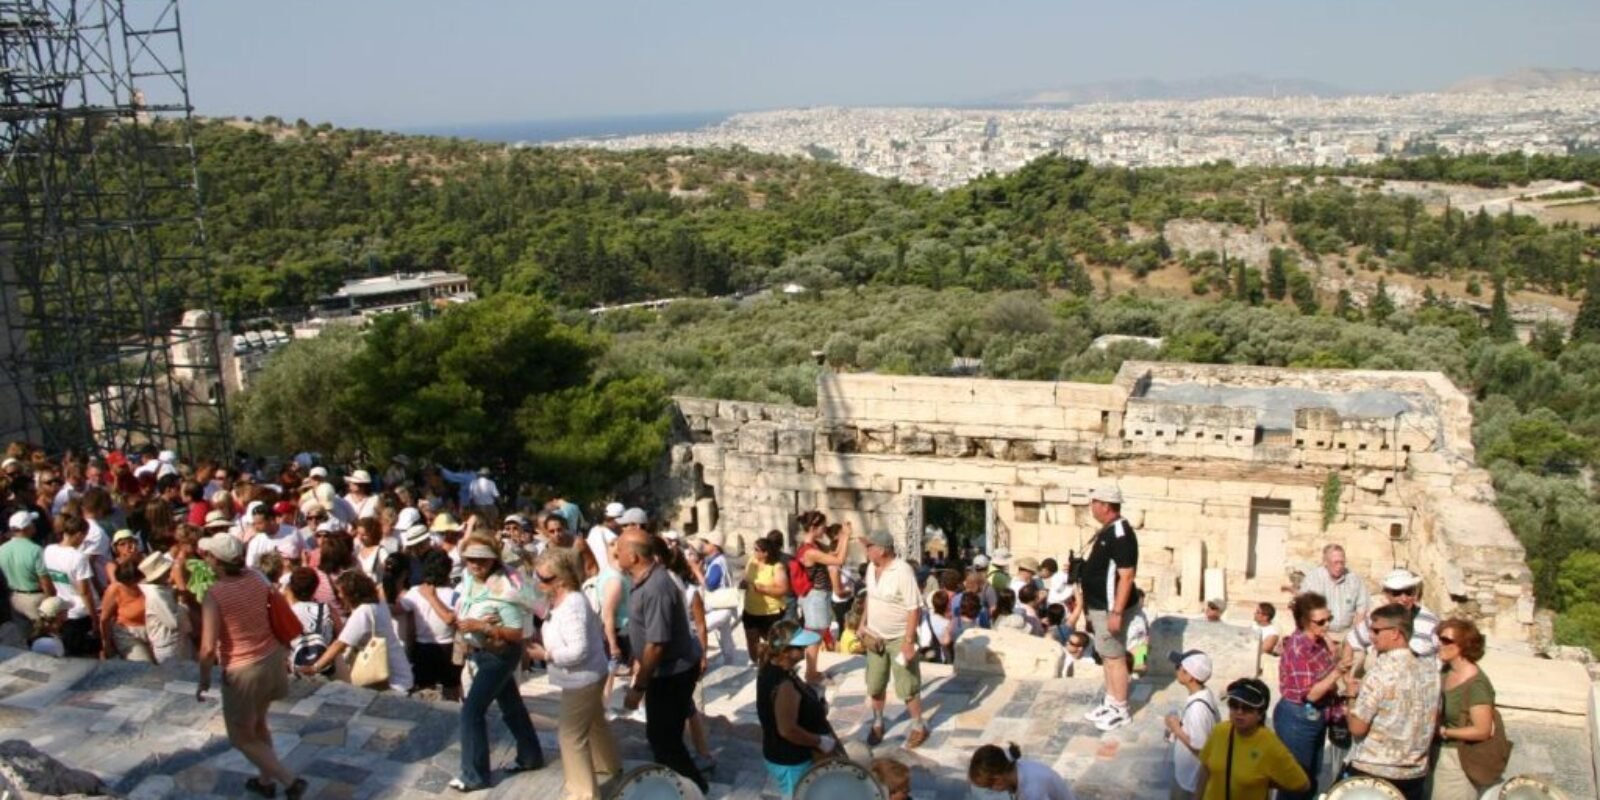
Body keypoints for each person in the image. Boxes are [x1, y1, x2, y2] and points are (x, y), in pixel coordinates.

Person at [194, 532, 306, 799]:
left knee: (240, 737)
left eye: (208, 555)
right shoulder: (257, 577)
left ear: (218, 561)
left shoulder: (215, 594)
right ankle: (265, 781)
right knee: (258, 724)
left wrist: (204, 678)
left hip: (243, 670)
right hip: (272, 659)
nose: (205, 559)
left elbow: (208, 647)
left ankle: (289, 781)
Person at [448, 540, 545, 791]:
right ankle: (531, 755)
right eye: (471, 559)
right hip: (483, 653)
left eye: (481, 559)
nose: (475, 564)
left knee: (472, 711)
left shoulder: (504, 588)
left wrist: (483, 626)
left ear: (493, 560)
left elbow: (515, 632)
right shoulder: (471, 581)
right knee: (511, 705)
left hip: (498, 656)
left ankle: (475, 775)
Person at [525, 549, 620, 800]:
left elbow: (578, 651)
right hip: (590, 674)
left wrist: (545, 655)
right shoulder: (563, 600)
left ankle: (584, 794)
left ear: (562, 579)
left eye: (545, 579)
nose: (539, 582)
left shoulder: (572, 605)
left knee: (570, 736)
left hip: (583, 678)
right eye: (538, 577)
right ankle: (608, 765)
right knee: (595, 722)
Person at [619, 527, 707, 791]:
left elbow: (657, 644)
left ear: (634, 557)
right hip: (666, 672)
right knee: (661, 738)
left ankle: (694, 790)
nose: (615, 553)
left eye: (620, 549)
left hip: (671, 674)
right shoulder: (648, 580)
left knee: (665, 742)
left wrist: (638, 687)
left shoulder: (656, 587)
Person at [1343, 603, 1440, 800]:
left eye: (1376, 630)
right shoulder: (1431, 671)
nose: (1371, 636)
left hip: (1375, 775)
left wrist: (1351, 697)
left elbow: (1357, 728)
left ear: (1395, 633)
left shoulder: (1380, 673)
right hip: (1414, 774)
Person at [857, 529, 929, 749]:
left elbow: (913, 608)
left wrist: (908, 641)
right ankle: (878, 722)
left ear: (882, 550)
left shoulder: (903, 571)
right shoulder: (871, 567)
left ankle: (918, 726)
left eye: (869, 547)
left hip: (899, 637)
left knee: (907, 685)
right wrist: (862, 623)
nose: (866, 550)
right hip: (875, 636)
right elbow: (870, 595)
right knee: (875, 683)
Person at [1080, 484, 1140, 732]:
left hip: (1109, 607)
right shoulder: (1108, 531)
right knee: (1106, 655)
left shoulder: (1120, 534)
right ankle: (1111, 700)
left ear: (1105, 505)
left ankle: (1122, 709)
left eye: (1094, 501)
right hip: (1099, 605)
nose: (1091, 506)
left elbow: (1126, 576)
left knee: (1115, 658)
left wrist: (1116, 612)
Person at [1274, 593, 1345, 800]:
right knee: (1295, 782)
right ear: (1305, 622)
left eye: (1328, 619)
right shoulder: (1298, 648)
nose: (1326, 625)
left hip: (1316, 715)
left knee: (1311, 777)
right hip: (1298, 718)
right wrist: (1337, 673)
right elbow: (1311, 694)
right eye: (1320, 622)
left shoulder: (1318, 641)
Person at [757, 621, 839, 798]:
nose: (804, 651)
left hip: (782, 755)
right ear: (786, 651)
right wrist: (819, 742)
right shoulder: (784, 685)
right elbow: (787, 730)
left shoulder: (772, 667)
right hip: (791, 761)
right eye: (800, 647)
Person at [1193, 678, 1308, 800]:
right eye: (1234, 705)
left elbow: (1302, 784)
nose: (1239, 712)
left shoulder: (1270, 745)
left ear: (1260, 714)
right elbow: (1205, 769)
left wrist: (1264, 784)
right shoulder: (1219, 732)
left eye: (1247, 708)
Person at [1433, 618, 1502, 799]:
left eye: (1446, 640)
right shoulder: (1446, 671)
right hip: (1437, 754)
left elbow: (1482, 730)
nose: (1439, 644)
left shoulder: (1476, 685)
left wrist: (1444, 731)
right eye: (1439, 638)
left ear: (1464, 645)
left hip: (1458, 761)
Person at [1343, 569, 1439, 672]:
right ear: (1386, 594)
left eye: (1408, 592)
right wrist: (1347, 672)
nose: (1404, 598)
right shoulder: (1379, 617)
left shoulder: (1430, 622)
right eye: (1397, 593)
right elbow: (1352, 639)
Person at [795, 510, 849, 684]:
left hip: (819, 596)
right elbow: (839, 561)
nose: (825, 528)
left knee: (816, 635)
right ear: (813, 527)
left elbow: (834, 554)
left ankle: (812, 671)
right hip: (815, 597)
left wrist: (842, 537)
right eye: (822, 525)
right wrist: (846, 537)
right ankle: (811, 675)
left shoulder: (815, 546)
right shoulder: (810, 551)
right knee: (814, 637)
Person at [397, 550, 460, 698]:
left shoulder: (415, 592)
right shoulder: (455, 594)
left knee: (425, 690)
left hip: (423, 648)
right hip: (448, 647)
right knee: (451, 688)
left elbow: (398, 608)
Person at [1163, 651, 1220, 800]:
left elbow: (1198, 745)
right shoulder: (1204, 693)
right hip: (1190, 777)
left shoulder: (1198, 709)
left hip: (1189, 781)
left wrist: (1176, 728)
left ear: (1190, 676)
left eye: (1178, 666)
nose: (1176, 669)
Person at [44, 515, 98, 656]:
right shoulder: (78, 558)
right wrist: (95, 619)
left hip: (64, 609)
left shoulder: (49, 550)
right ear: (79, 534)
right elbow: (85, 592)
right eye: (84, 536)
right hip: (81, 613)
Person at [1297, 544, 1370, 645]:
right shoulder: (1312, 580)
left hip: (1347, 633)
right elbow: (1305, 613)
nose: (1339, 566)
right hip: (1320, 633)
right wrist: (1325, 638)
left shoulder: (1354, 580)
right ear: (1325, 562)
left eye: (1342, 562)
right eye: (1335, 562)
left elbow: (1362, 611)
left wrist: (1355, 638)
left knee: (1358, 657)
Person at [967, 742, 1078, 800]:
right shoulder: (1012, 766)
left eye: (989, 787)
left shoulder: (1032, 791)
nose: (992, 791)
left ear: (998, 780)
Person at [742, 534, 789, 663]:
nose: (754, 552)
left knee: (774, 643)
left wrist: (763, 589)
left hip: (770, 613)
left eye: (757, 550)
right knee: (751, 639)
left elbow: (783, 589)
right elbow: (746, 578)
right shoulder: (752, 561)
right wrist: (744, 584)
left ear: (766, 553)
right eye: (754, 549)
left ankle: (777, 666)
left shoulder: (777, 567)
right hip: (750, 610)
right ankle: (755, 663)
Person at [1, 510, 53, 624]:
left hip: (14, 599)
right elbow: (45, 582)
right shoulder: (36, 550)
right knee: (41, 634)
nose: (34, 525)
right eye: (32, 523)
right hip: (36, 599)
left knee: (24, 638)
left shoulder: (2, 549)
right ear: (26, 528)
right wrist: (51, 601)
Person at [99, 559, 152, 661]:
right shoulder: (115, 589)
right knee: (144, 665)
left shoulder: (148, 586)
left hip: (153, 629)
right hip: (128, 633)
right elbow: (104, 619)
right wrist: (106, 644)